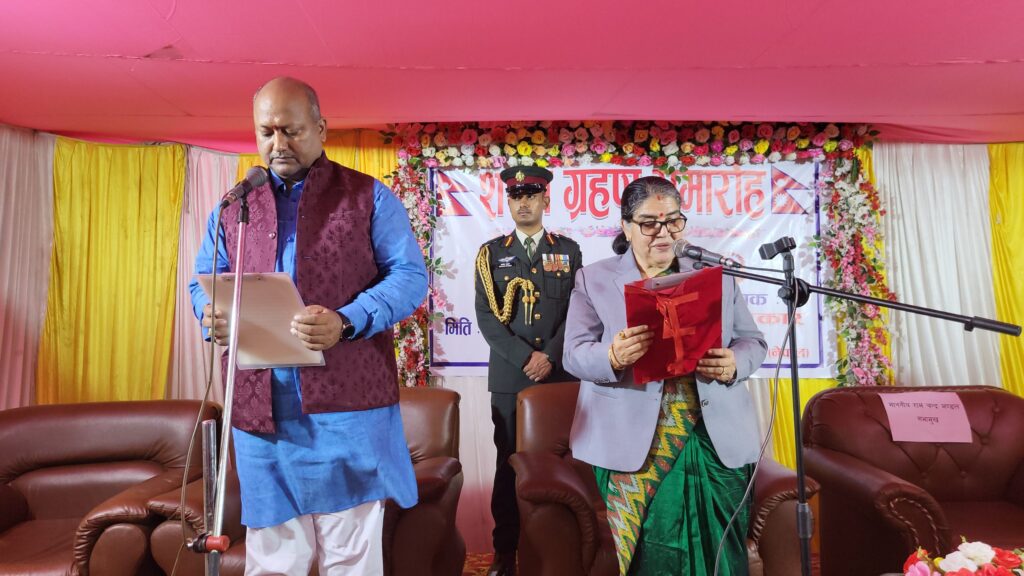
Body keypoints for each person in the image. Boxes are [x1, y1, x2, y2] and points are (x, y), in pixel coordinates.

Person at [188, 77, 427, 575]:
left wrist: (347, 320)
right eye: (266, 132)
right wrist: (210, 313)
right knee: (275, 559)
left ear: (320, 128)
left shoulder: (367, 196)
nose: (278, 144)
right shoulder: (235, 206)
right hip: (262, 412)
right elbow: (203, 278)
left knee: (351, 558)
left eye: (291, 131)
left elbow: (409, 277)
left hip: (349, 409)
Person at [562, 176, 767, 575]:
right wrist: (612, 355)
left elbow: (753, 342)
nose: (664, 232)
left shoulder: (714, 274)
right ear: (626, 227)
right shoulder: (594, 279)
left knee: (721, 552)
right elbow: (573, 354)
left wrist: (734, 363)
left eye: (673, 220)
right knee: (655, 554)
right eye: (649, 223)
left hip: (714, 433)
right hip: (633, 441)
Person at [474, 165, 583, 576]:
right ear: (509, 202)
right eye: (516, 196)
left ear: (545, 200)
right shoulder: (491, 254)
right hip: (510, 378)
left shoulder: (568, 251)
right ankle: (505, 552)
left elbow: (578, 310)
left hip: (558, 376)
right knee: (508, 465)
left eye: (531, 196)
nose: (523, 203)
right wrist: (525, 358)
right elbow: (486, 317)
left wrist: (549, 355)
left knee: (560, 465)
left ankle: (559, 550)